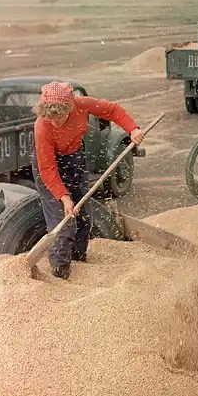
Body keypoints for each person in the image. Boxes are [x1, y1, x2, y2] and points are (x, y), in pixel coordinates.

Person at [32, 81, 144, 280]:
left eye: (59, 117)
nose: (55, 122)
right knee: (63, 225)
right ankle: (60, 275)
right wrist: (64, 198)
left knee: (83, 218)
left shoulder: (81, 104)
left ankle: (79, 262)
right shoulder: (42, 126)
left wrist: (132, 129)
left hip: (74, 158)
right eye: (51, 118)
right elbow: (48, 169)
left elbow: (112, 110)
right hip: (49, 167)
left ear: (70, 108)